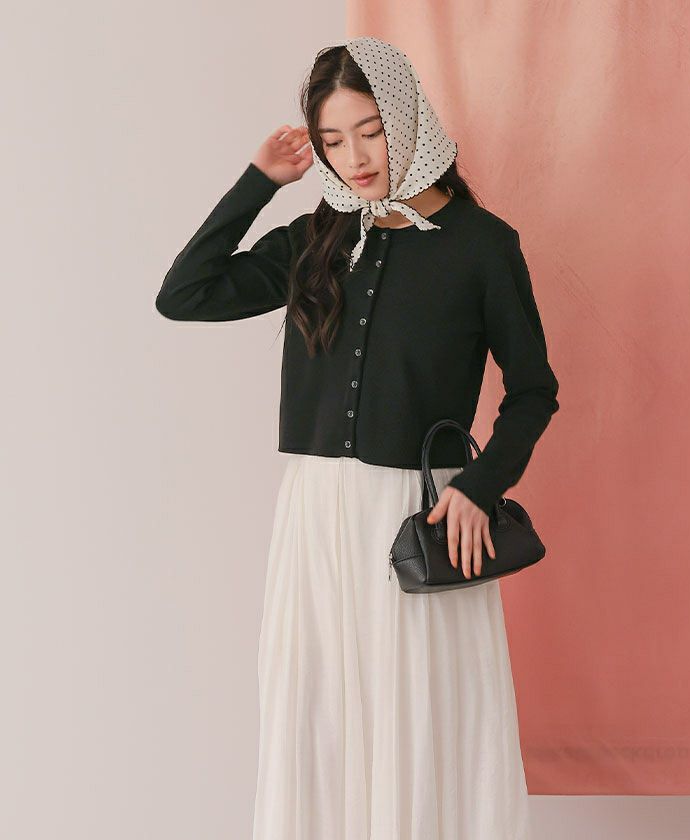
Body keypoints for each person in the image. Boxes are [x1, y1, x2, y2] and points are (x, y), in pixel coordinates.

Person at [156, 34, 559, 840]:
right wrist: (257, 183)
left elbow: (533, 392)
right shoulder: (318, 238)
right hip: (316, 516)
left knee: (419, 716)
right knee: (321, 710)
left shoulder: (483, 245)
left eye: (370, 131)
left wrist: (479, 489)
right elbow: (184, 295)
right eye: (334, 140)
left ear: (405, 119)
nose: (355, 157)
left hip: (422, 517)